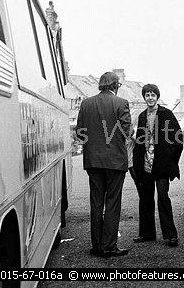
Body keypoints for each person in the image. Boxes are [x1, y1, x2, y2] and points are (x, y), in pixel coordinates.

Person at [76, 71, 133, 257]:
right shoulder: (121, 103)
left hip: (93, 161)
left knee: (96, 202)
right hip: (115, 161)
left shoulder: (86, 103)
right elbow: (127, 132)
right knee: (113, 202)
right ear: (116, 85)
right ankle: (109, 246)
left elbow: (79, 132)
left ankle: (97, 246)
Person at [133, 83, 183, 247]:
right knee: (145, 198)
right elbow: (139, 143)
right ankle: (147, 234)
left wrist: (171, 161)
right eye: (147, 95)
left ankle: (170, 235)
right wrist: (137, 163)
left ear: (157, 96)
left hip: (161, 164)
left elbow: (178, 140)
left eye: (153, 95)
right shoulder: (141, 116)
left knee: (163, 197)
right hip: (146, 162)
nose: (150, 98)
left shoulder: (166, 114)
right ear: (144, 98)